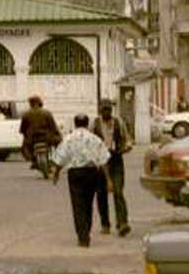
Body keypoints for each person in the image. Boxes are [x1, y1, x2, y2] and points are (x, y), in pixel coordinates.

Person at [50, 114, 112, 247]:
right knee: (88, 204)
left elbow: (61, 157)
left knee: (78, 205)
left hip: (75, 174)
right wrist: (108, 179)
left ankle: (83, 237)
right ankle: (86, 231)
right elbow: (104, 159)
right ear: (87, 123)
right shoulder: (95, 139)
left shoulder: (68, 139)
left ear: (75, 123)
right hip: (91, 173)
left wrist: (56, 173)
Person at [93, 100, 132, 237]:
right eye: (104, 110)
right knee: (101, 194)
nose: (106, 113)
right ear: (99, 111)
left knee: (118, 191)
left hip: (115, 159)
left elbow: (127, 139)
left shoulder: (118, 122)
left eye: (108, 110)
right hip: (99, 162)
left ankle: (122, 223)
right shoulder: (95, 124)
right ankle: (105, 224)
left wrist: (127, 146)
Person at [20, 95, 61, 171]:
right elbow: (53, 127)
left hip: (32, 139)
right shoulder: (47, 113)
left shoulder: (26, 114)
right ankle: (56, 159)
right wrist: (58, 135)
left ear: (30, 104)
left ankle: (33, 161)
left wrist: (26, 137)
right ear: (40, 103)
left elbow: (22, 130)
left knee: (23, 148)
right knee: (60, 143)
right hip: (47, 138)